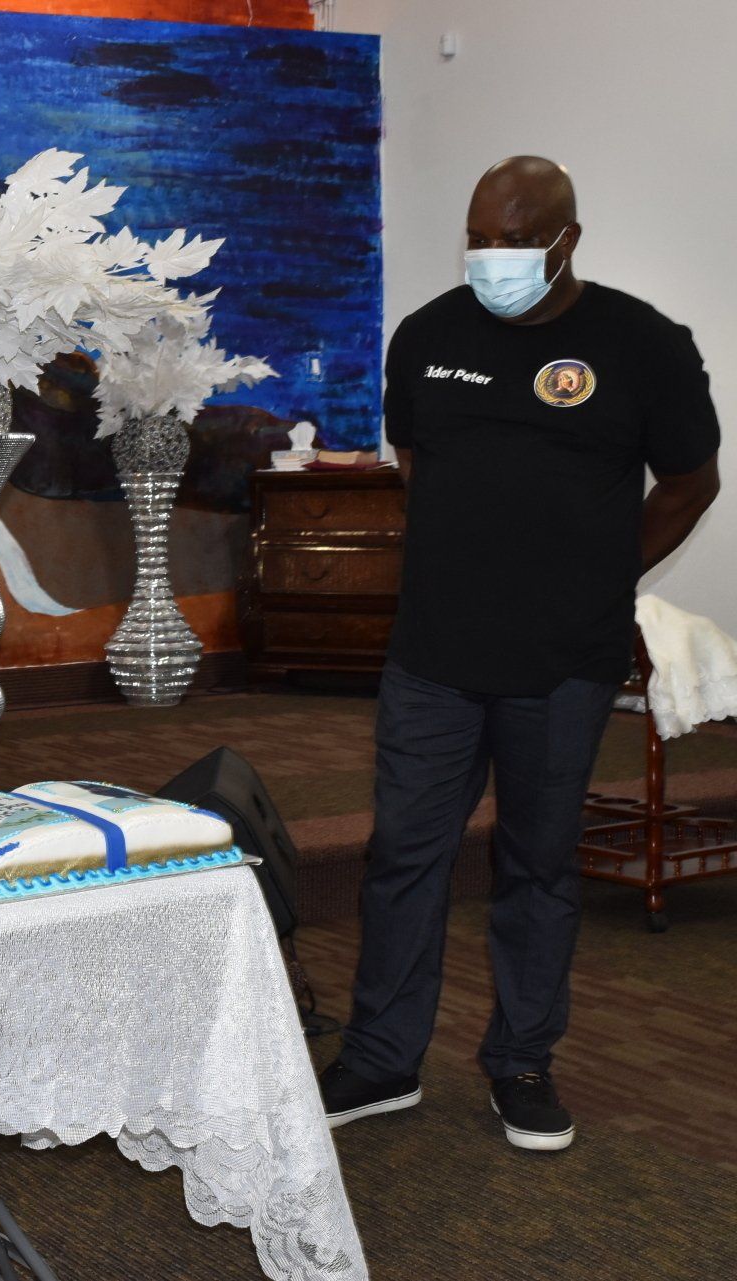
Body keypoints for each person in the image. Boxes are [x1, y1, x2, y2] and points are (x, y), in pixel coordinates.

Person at [320, 157, 720, 1150]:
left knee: (538, 866)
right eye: (479, 238)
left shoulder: (643, 344)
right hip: (435, 656)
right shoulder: (428, 336)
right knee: (403, 856)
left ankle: (523, 1062)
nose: (490, 256)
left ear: (564, 240)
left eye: (512, 239)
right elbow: (416, 462)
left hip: (562, 661)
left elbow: (691, 482)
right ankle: (382, 1057)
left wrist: (602, 574)